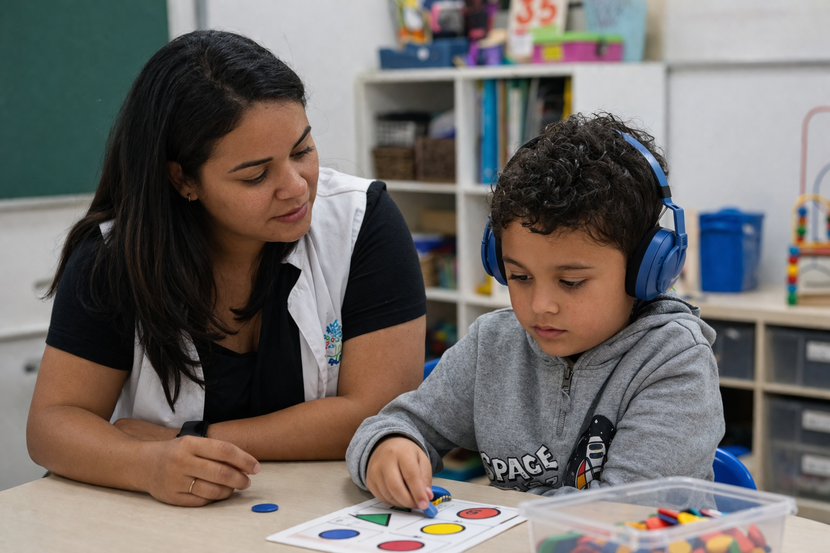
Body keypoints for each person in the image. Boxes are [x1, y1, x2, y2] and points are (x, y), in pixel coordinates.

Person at [27, 30, 427, 507]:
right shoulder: (114, 257)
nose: (296, 187)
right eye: (256, 175)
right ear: (183, 179)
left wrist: (188, 438)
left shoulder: (363, 222)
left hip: (328, 510)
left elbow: (380, 413)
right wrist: (148, 466)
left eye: (302, 151)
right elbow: (53, 424)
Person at [346, 113, 725, 511]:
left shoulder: (674, 364)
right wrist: (389, 449)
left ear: (645, 271)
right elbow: (400, 423)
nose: (540, 305)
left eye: (571, 282)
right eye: (520, 276)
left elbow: (623, 515)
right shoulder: (492, 344)